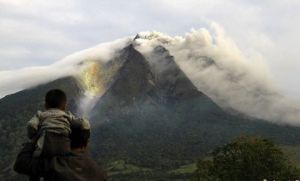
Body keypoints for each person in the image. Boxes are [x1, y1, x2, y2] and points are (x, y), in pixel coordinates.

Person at [14, 114, 108, 181]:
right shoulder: (99, 172)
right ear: (87, 142)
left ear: (66, 139)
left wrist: (35, 138)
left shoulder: (54, 165)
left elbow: (21, 164)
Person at [27, 89, 78, 157]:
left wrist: (33, 137)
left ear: (46, 105)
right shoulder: (68, 116)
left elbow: (31, 124)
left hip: (44, 147)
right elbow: (83, 123)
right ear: (65, 106)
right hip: (64, 147)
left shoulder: (40, 114)